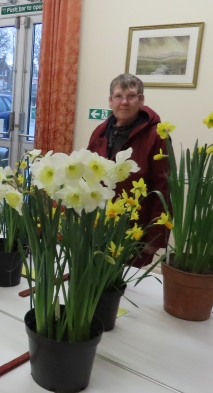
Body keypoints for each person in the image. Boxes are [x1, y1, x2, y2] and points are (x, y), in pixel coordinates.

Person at [87, 73, 169, 267]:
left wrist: (154, 238)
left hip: (134, 227)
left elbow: (164, 188)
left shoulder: (156, 136)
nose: (124, 102)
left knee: (121, 285)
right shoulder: (100, 131)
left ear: (141, 100)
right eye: (118, 96)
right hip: (99, 223)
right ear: (110, 101)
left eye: (131, 96)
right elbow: (88, 175)